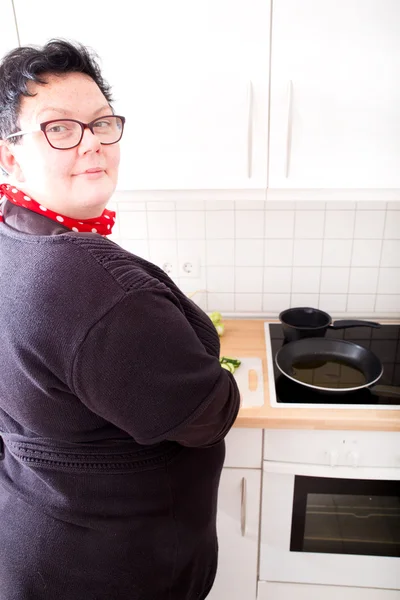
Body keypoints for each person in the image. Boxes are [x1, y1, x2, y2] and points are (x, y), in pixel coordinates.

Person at [0, 39, 241, 600]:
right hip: (111, 570)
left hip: (38, 538)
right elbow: (210, 415)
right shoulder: (92, 285)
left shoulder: (13, 240)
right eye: (59, 128)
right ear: (9, 155)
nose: (91, 144)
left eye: (101, 123)